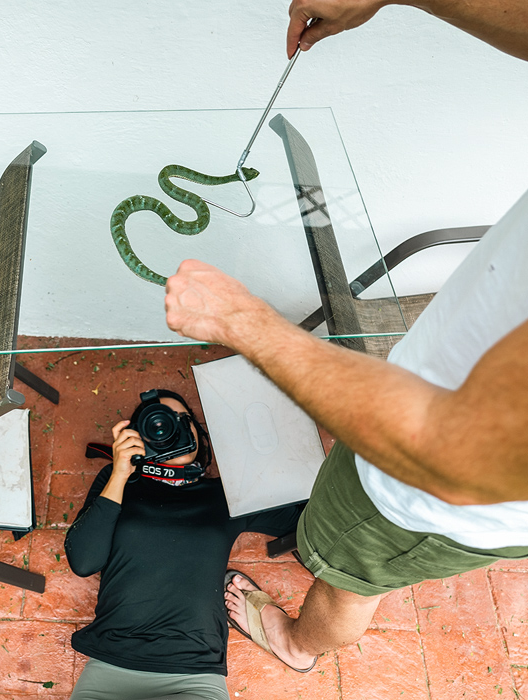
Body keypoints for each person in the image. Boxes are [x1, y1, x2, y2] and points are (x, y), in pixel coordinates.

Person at [164, 0, 528, 674]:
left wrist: (244, 323)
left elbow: (451, 455)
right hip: (440, 383)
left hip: (424, 490)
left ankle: (298, 645)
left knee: (350, 571)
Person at [64, 389, 308, 700]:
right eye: (156, 424)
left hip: (192, 673)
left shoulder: (224, 494)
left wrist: (251, 465)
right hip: (111, 666)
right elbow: (84, 560)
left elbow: (301, 522)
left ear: (197, 433)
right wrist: (121, 471)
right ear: (140, 439)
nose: (170, 429)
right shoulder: (120, 481)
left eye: (183, 420)